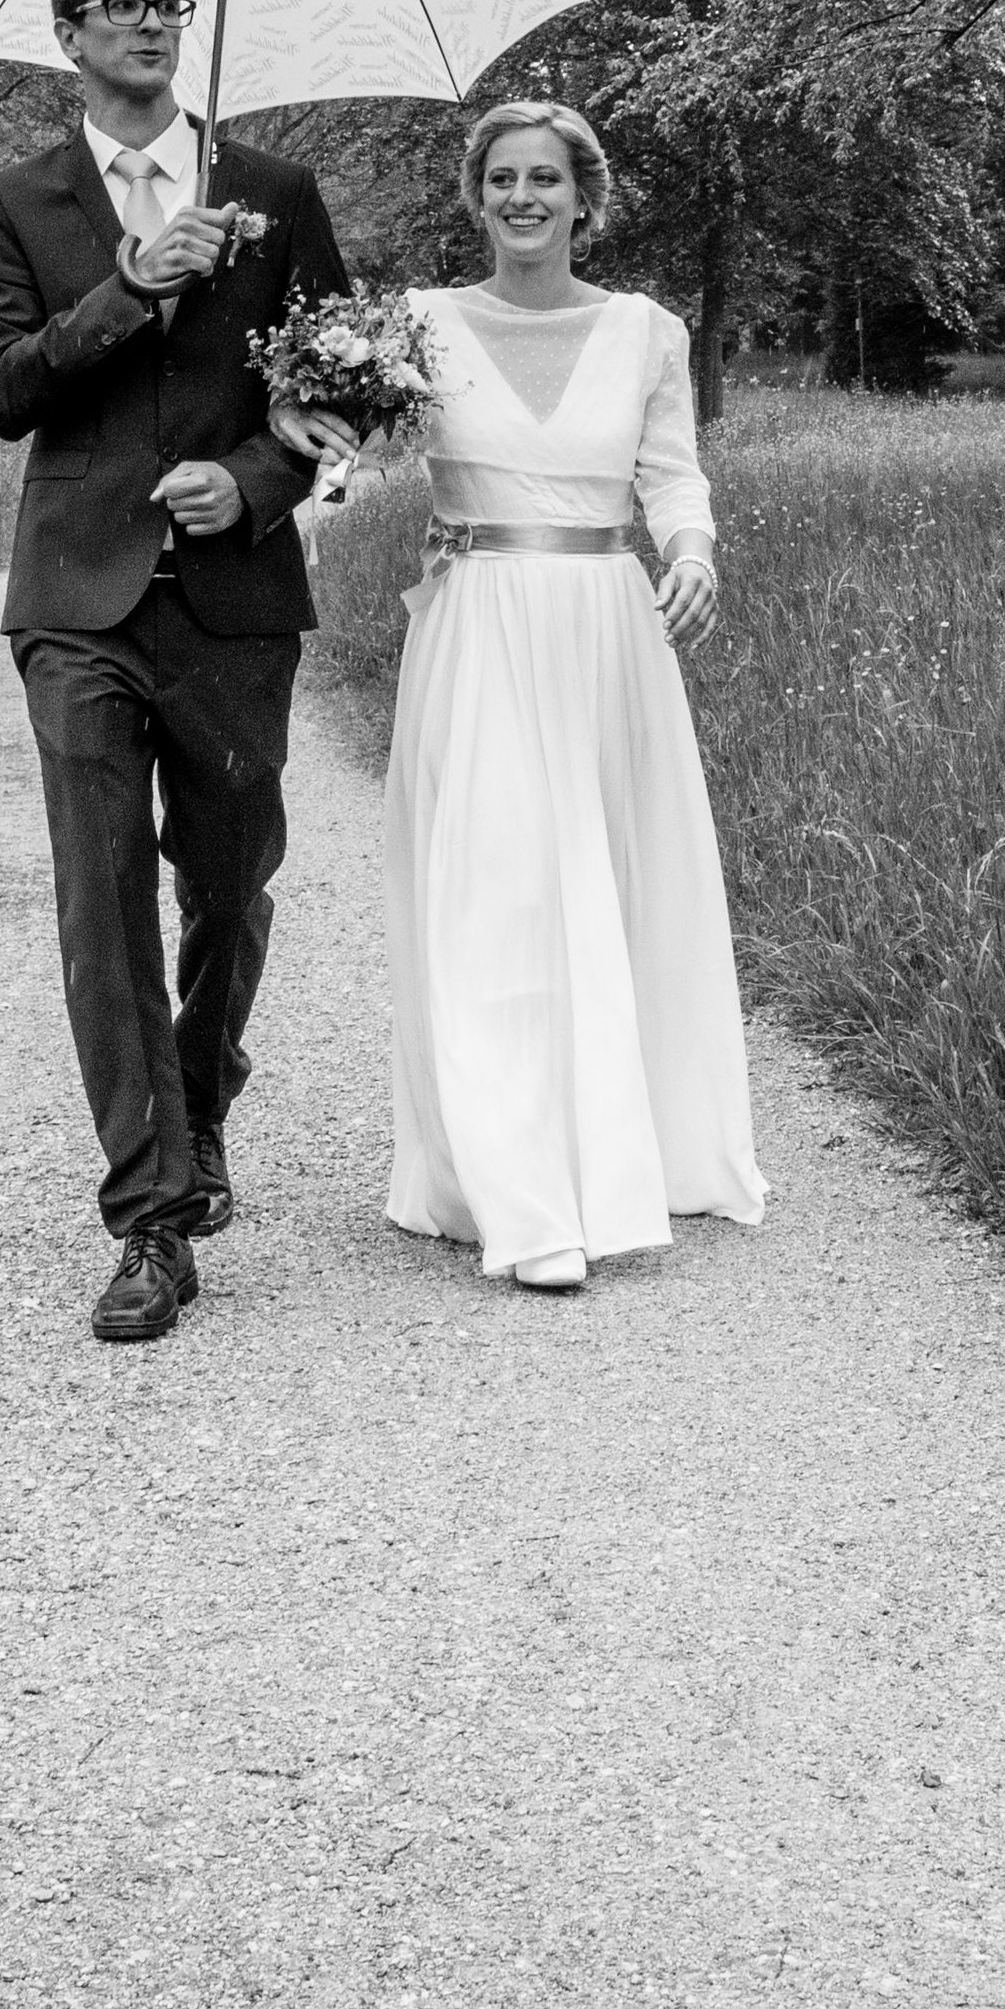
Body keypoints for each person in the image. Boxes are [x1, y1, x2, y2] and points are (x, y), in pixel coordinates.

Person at [0, 0, 357, 1345]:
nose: (146, 23)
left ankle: (203, 1092)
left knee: (233, 876)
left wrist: (249, 480)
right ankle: (151, 1214)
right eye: (118, 6)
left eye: (165, 4)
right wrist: (131, 285)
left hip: (234, 598)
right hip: (76, 600)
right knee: (103, 896)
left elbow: (339, 391)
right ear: (70, 35)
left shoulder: (274, 193)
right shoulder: (20, 201)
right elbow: (2, 392)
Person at [329, 99, 765, 1294]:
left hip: (606, 630)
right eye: (502, 179)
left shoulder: (645, 331)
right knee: (493, 895)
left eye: (546, 180)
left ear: (585, 196)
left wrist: (693, 556)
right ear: (476, 198)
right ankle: (520, 1201)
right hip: (476, 629)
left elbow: (673, 476)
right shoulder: (415, 326)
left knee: (602, 886)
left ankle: (610, 1149)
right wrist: (303, 464)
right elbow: (345, 456)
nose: (524, 198)